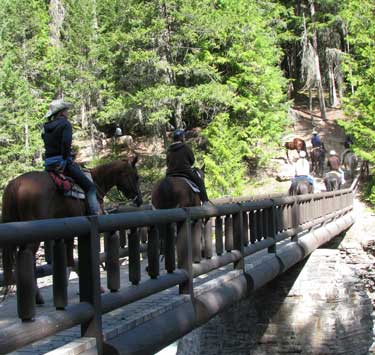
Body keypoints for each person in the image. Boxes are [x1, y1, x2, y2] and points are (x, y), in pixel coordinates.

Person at [42, 98, 101, 215]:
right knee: (91, 188)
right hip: (62, 163)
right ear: (61, 112)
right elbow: (65, 144)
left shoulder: (45, 127)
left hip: (49, 164)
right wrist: (66, 158)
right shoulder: (65, 124)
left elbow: (50, 145)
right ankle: (96, 216)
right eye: (66, 110)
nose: (68, 112)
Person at [166, 129, 210, 204]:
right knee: (199, 180)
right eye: (183, 137)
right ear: (181, 138)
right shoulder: (185, 147)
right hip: (185, 171)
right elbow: (192, 160)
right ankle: (205, 201)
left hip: (170, 173)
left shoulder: (169, 150)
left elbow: (167, 163)